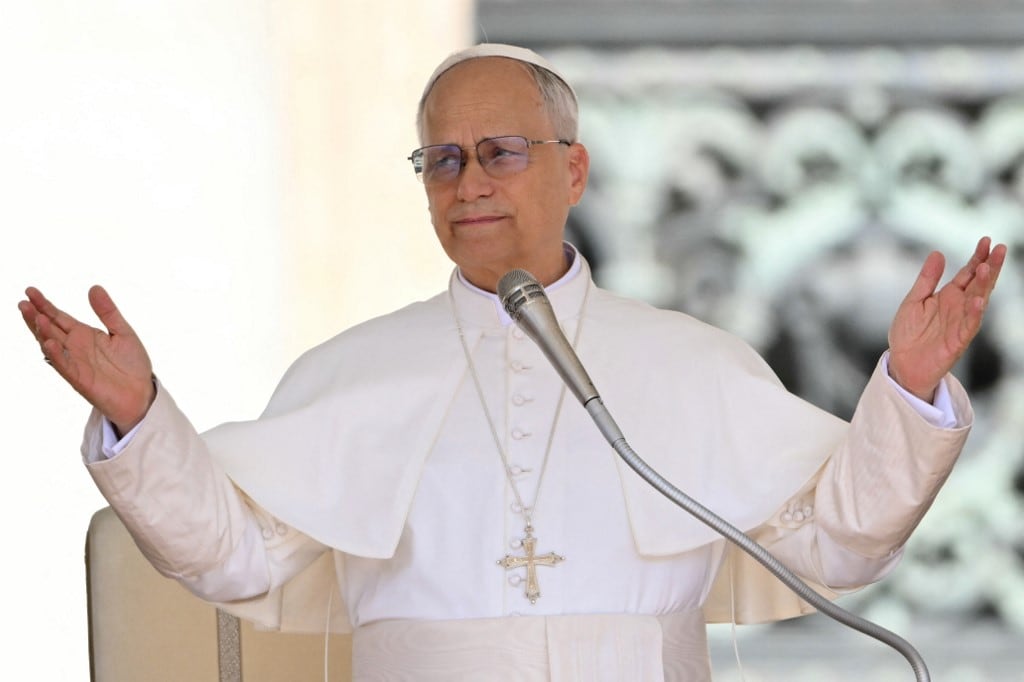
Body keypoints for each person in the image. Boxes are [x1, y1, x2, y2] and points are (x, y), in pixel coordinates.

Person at [20, 43, 1005, 680]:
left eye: (499, 151)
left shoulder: (689, 362)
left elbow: (835, 544)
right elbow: (232, 554)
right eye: (441, 160)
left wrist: (907, 390)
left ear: (573, 168)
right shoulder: (354, 371)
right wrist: (143, 417)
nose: (468, 182)